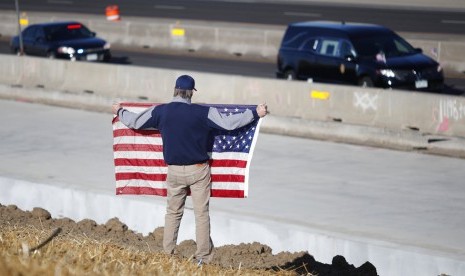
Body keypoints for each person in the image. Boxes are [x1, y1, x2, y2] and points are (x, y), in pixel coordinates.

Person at [112, 75, 268, 265]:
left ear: (175, 90)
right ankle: (202, 257)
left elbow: (134, 122)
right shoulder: (203, 113)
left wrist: (119, 111)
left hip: (174, 172)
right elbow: (229, 124)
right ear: (191, 93)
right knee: (201, 214)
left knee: (173, 213)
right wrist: (254, 113)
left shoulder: (161, 111)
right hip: (199, 170)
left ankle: (167, 254)